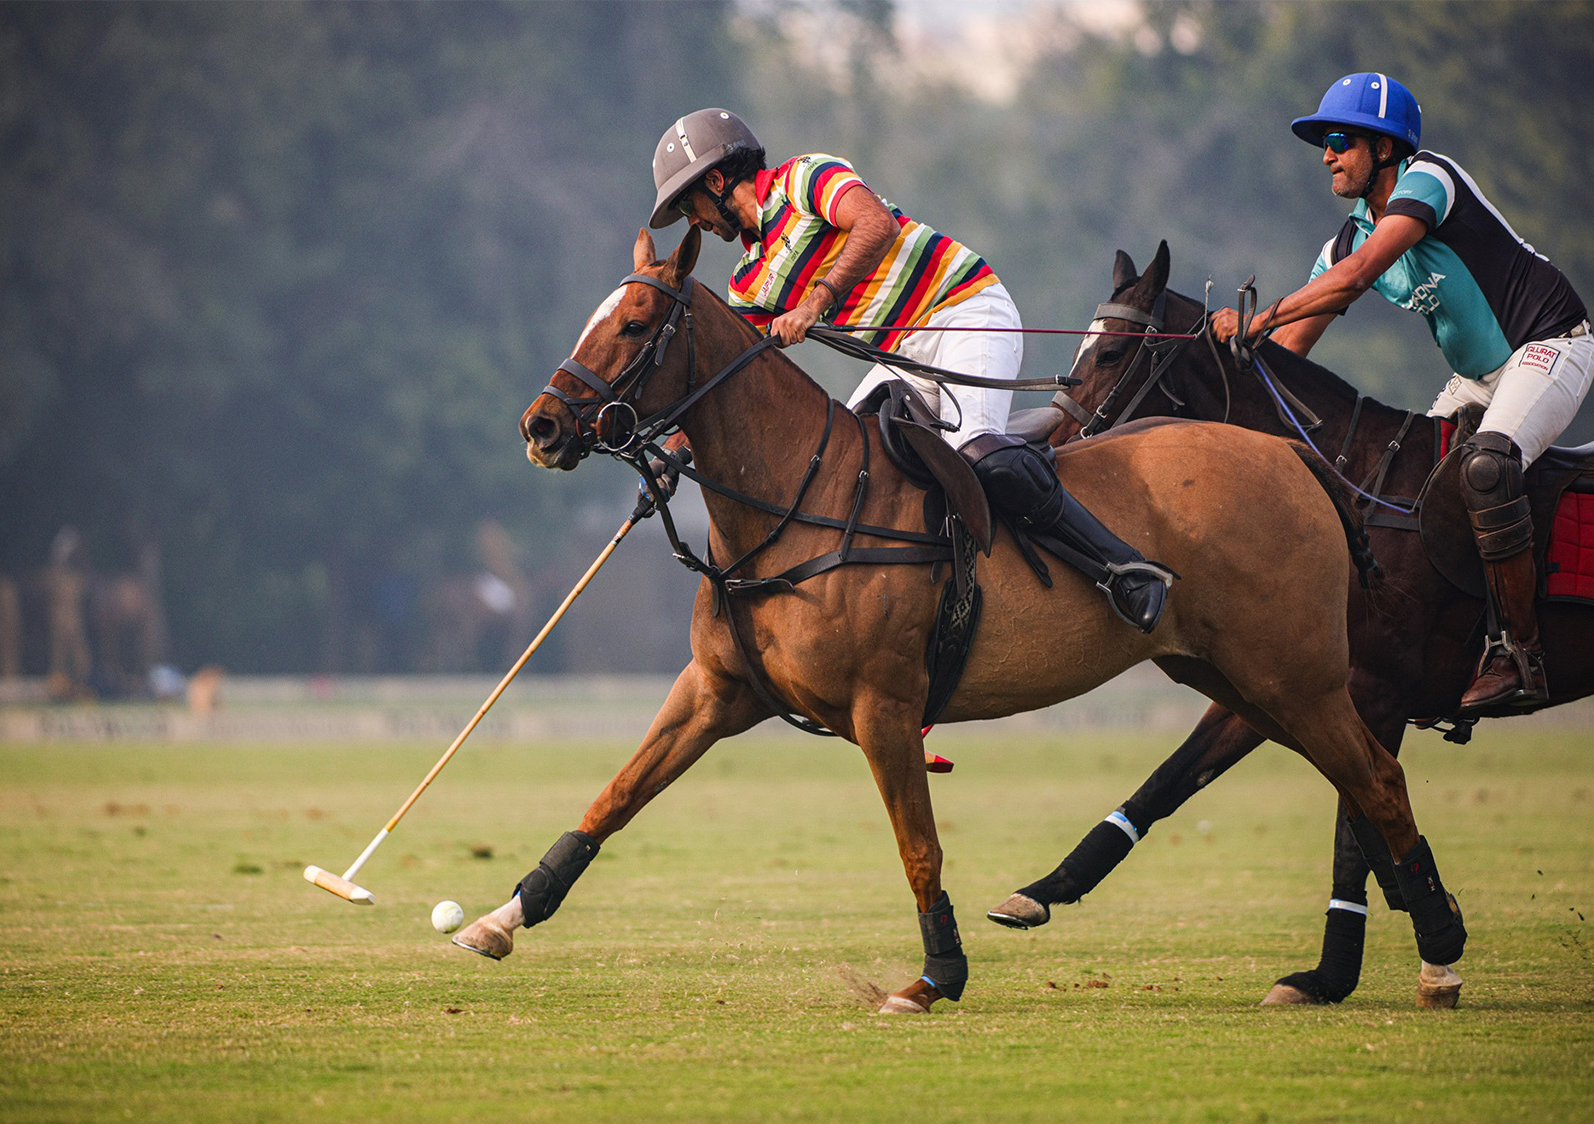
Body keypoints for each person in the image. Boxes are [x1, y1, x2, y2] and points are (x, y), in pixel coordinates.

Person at [648, 108, 1168, 631]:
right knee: (836, 471)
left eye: (689, 206)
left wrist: (813, 303)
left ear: (716, 181)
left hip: (966, 308)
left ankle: (1123, 570)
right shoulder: (747, 280)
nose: (694, 222)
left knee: (980, 454)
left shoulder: (804, 177)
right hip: (903, 356)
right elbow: (732, 370)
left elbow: (876, 223)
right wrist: (673, 454)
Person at [1212, 73, 1593, 714]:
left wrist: (1258, 317)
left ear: (1384, 149)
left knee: (1486, 468)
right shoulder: (1342, 239)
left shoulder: (1429, 180)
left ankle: (1520, 654)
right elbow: (1285, 358)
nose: (1326, 156)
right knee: (1413, 494)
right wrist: (1220, 354)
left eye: (1339, 141)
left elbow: (1357, 277)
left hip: (1550, 343)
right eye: (1322, 145)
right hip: (1478, 376)